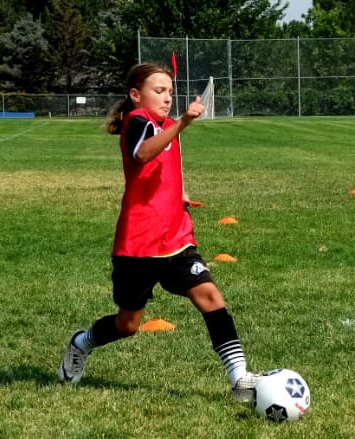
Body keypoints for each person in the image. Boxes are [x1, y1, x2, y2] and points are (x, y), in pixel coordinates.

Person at [58, 63, 259, 402]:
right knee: (128, 325)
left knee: (211, 297)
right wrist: (183, 122)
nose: (168, 98)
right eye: (159, 91)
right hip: (138, 245)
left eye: (170, 91)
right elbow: (143, 153)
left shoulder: (165, 125)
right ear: (136, 95)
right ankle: (82, 343)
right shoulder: (137, 121)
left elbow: (162, 168)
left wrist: (177, 192)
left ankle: (241, 380)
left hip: (176, 238)